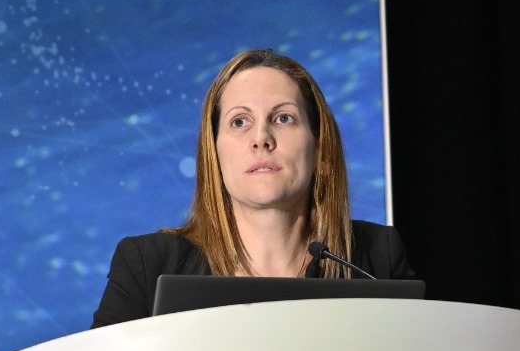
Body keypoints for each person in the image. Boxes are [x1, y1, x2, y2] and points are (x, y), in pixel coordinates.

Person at [91, 48, 416, 327]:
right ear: (214, 155)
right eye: (239, 121)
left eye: (284, 118)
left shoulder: (378, 258)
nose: (261, 138)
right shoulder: (147, 265)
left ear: (321, 152)